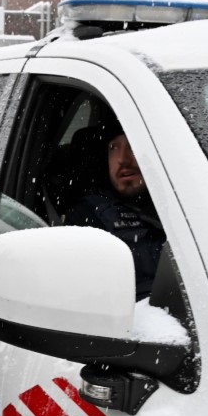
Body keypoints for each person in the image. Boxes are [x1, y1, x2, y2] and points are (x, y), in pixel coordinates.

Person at [64, 119, 166, 299]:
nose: (122, 159)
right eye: (113, 147)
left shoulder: (187, 203)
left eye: (133, 145)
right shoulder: (89, 216)